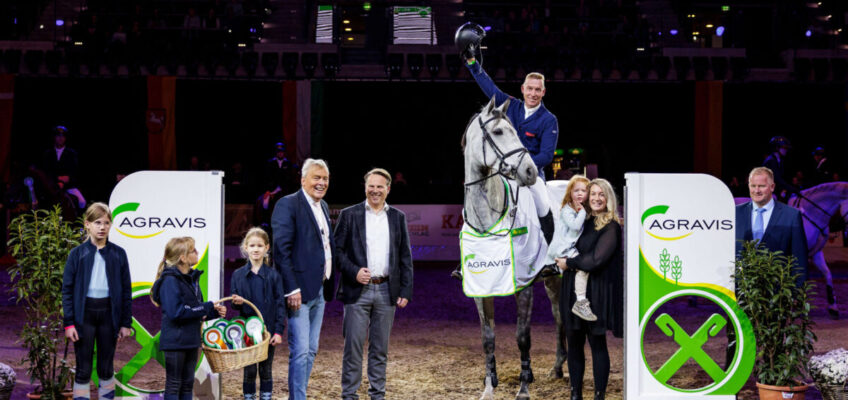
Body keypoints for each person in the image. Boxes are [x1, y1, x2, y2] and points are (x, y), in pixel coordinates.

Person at [460, 23, 559, 242]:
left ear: (543, 92)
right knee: (478, 193)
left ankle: (551, 253)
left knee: (542, 202)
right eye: (529, 88)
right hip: (504, 171)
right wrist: (472, 63)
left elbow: (546, 155)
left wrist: (521, 165)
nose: (533, 93)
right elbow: (489, 88)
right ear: (523, 89)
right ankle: (472, 247)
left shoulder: (548, 119)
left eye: (537, 90)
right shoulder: (510, 105)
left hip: (531, 174)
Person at [334, 168, 414, 400]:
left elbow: (405, 257)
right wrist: (354, 272)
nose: (375, 190)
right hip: (357, 291)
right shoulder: (350, 215)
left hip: (387, 291)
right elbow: (337, 252)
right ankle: (349, 395)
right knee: (353, 349)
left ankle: (377, 395)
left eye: (380, 186)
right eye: (372, 185)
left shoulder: (398, 217)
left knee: (380, 350)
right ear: (365, 187)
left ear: (388, 189)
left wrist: (405, 290)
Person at [271, 158, 337, 400]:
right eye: (316, 178)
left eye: (325, 179)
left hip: (320, 288)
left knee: (311, 350)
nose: (321, 183)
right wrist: (291, 289)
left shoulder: (324, 206)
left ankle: (298, 396)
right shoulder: (287, 205)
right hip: (298, 291)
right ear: (303, 180)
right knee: (300, 351)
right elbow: (282, 251)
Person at [554, 178, 623, 400]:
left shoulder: (611, 225)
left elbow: (596, 260)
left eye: (601, 194)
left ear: (608, 198)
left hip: (596, 292)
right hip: (572, 290)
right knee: (573, 343)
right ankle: (575, 394)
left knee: (597, 344)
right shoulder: (580, 221)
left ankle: (599, 396)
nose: (596, 198)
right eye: (593, 193)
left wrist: (569, 264)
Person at [62, 202, 133, 400]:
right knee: (83, 367)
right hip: (84, 315)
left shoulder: (119, 254)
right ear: (87, 224)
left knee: (106, 366)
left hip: (109, 315)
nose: (102, 227)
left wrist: (125, 323)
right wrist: (69, 323)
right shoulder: (77, 254)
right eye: (97, 222)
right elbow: (67, 290)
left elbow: (126, 291)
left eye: (106, 223)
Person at [151, 237, 226, 400]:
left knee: (187, 384)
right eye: (193, 250)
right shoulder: (169, 281)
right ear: (183, 258)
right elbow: (176, 312)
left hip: (191, 340)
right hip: (175, 342)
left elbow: (193, 311)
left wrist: (213, 313)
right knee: (174, 384)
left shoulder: (192, 280)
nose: (197, 252)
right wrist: (206, 306)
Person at [230, 228, 286, 400]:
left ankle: (266, 397)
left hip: (267, 332)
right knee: (249, 370)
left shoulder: (274, 276)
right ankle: (249, 396)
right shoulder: (237, 275)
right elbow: (235, 307)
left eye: (260, 245)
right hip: (247, 333)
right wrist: (236, 303)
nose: (256, 249)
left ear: (267, 248)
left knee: (266, 369)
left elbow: (280, 305)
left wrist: (278, 331)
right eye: (252, 245)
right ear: (245, 247)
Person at [735, 166, 808, 287]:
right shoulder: (735, 213)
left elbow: (799, 258)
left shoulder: (791, 216)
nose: (756, 190)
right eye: (753, 186)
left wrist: (798, 292)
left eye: (762, 186)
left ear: (772, 187)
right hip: (741, 292)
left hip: (777, 293)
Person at [542, 176, 596, 321]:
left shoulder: (578, 210)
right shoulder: (567, 210)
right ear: (570, 193)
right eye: (576, 190)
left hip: (567, 247)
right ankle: (580, 301)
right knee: (583, 266)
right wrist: (583, 211)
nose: (579, 193)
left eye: (583, 191)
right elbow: (575, 226)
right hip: (563, 249)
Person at [763, 136, 799, 202]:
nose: (786, 150)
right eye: (784, 148)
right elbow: (777, 179)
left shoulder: (780, 160)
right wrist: (790, 188)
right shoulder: (770, 161)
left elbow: (783, 177)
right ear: (777, 148)